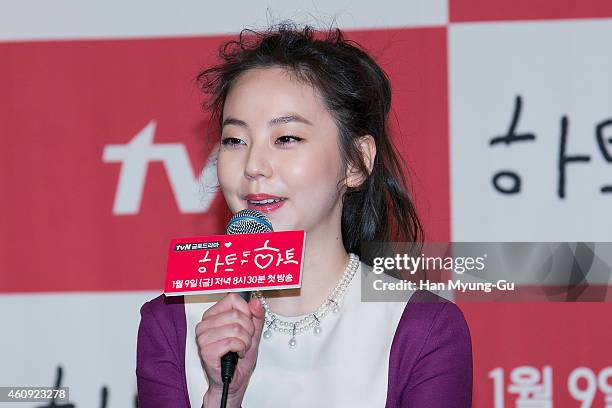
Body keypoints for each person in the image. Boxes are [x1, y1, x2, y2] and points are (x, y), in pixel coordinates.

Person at [136, 23, 472, 408]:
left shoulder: (421, 328)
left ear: (357, 162)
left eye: (287, 139)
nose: (254, 166)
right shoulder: (171, 322)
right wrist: (219, 398)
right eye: (234, 140)